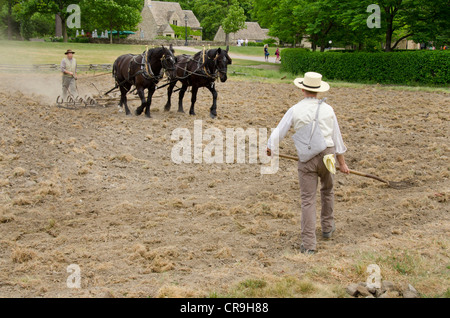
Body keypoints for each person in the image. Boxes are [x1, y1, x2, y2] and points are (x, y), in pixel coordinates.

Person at [266, 72, 350, 255]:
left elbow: (279, 132)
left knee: (308, 200)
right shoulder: (328, 109)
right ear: (318, 91)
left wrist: (270, 148)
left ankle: (309, 244)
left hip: (307, 159)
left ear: (302, 89)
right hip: (327, 156)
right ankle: (327, 228)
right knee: (327, 191)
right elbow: (337, 138)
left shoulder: (295, 109)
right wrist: (342, 163)